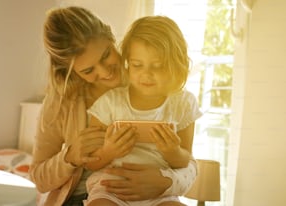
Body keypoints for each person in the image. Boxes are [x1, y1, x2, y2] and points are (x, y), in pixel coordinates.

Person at [29, 6, 198, 206]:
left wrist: (166, 181)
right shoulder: (61, 102)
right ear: (71, 71)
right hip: (90, 195)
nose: (104, 72)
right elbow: (39, 179)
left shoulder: (147, 81)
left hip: (154, 191)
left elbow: (189, 164)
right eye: (88, 70)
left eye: (105, 55)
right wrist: (70, 157)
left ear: (111, 39)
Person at [84, 16, 202, 206]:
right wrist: (108, 151)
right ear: (128, 63)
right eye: (137, 65)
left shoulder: (183, 103)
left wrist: (172, 151)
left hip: (159, 192)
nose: (146, 74)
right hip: (112, 189)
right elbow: (90, 162)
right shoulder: (111, 102)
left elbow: (184, 160)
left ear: (175, 64)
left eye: (158, 66)